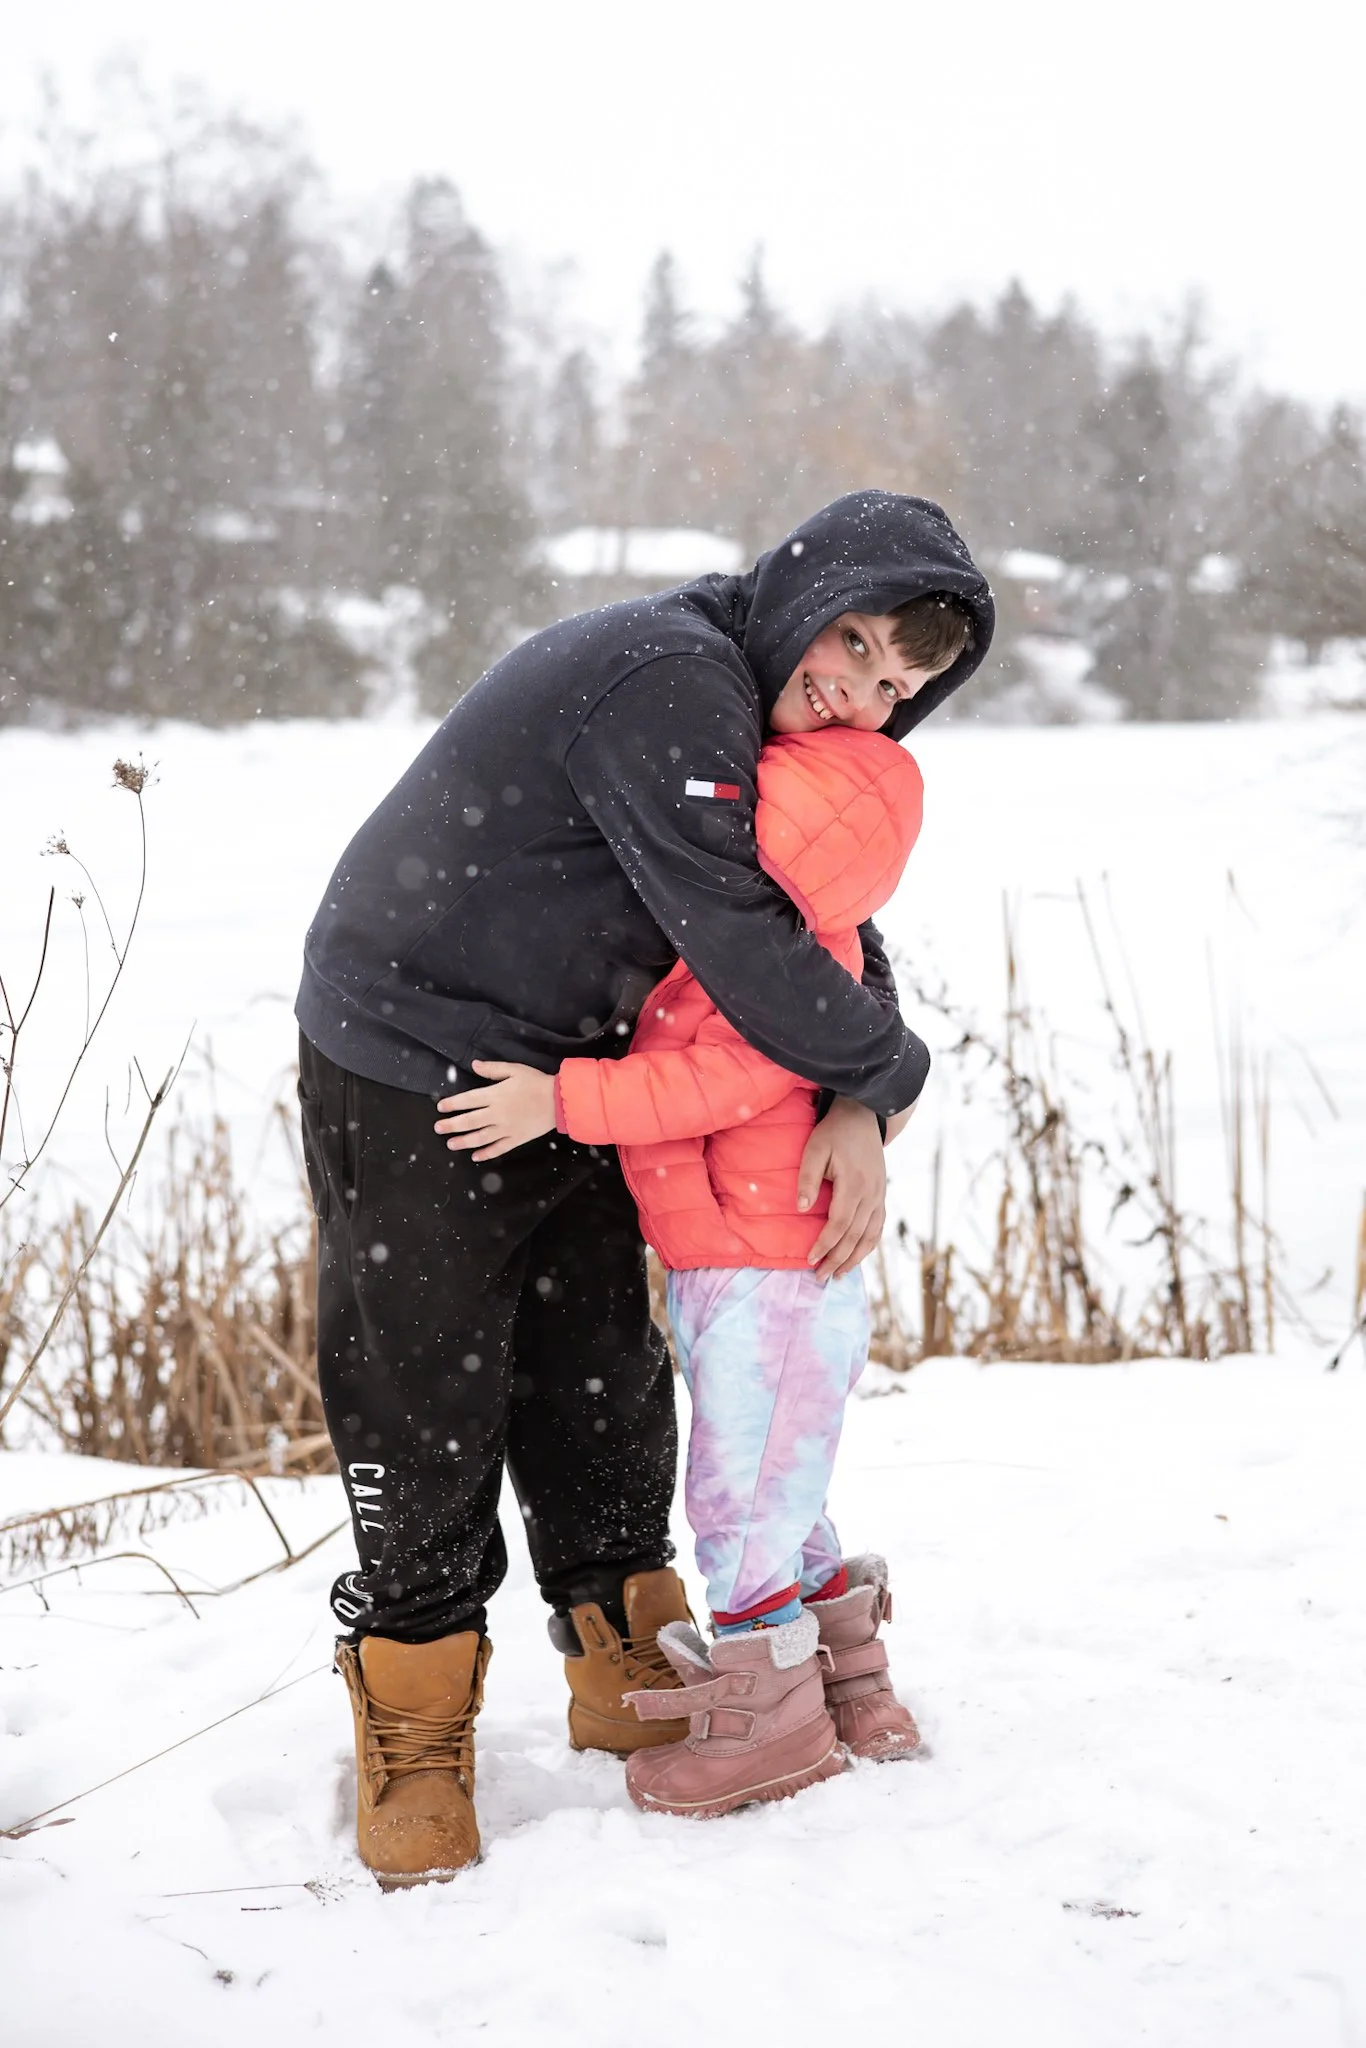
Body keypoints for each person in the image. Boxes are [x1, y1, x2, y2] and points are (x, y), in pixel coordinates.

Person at [296, 490, 993, 1886]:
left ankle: (619, 1637)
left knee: (598, 1360)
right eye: (853, 641)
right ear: (801, 592)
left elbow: (820, 916)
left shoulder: (769, 713)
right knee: (425, 1382)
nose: (861, 692)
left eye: (895, 686)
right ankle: (416, 1705)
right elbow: (738, 934)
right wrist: (894, 1071)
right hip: (418, 1045)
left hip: (586, 1065)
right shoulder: (671, 680)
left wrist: (857, 1093)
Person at [435, 721, 930, 1818]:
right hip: (743, 1264)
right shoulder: (770, 949)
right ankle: (849, 1680)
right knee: (780, 1493)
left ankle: (767, 1723)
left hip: (769, 1277)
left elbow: (709, 1085)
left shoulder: (778, 969)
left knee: (736, 1501)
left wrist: (558, 1098)